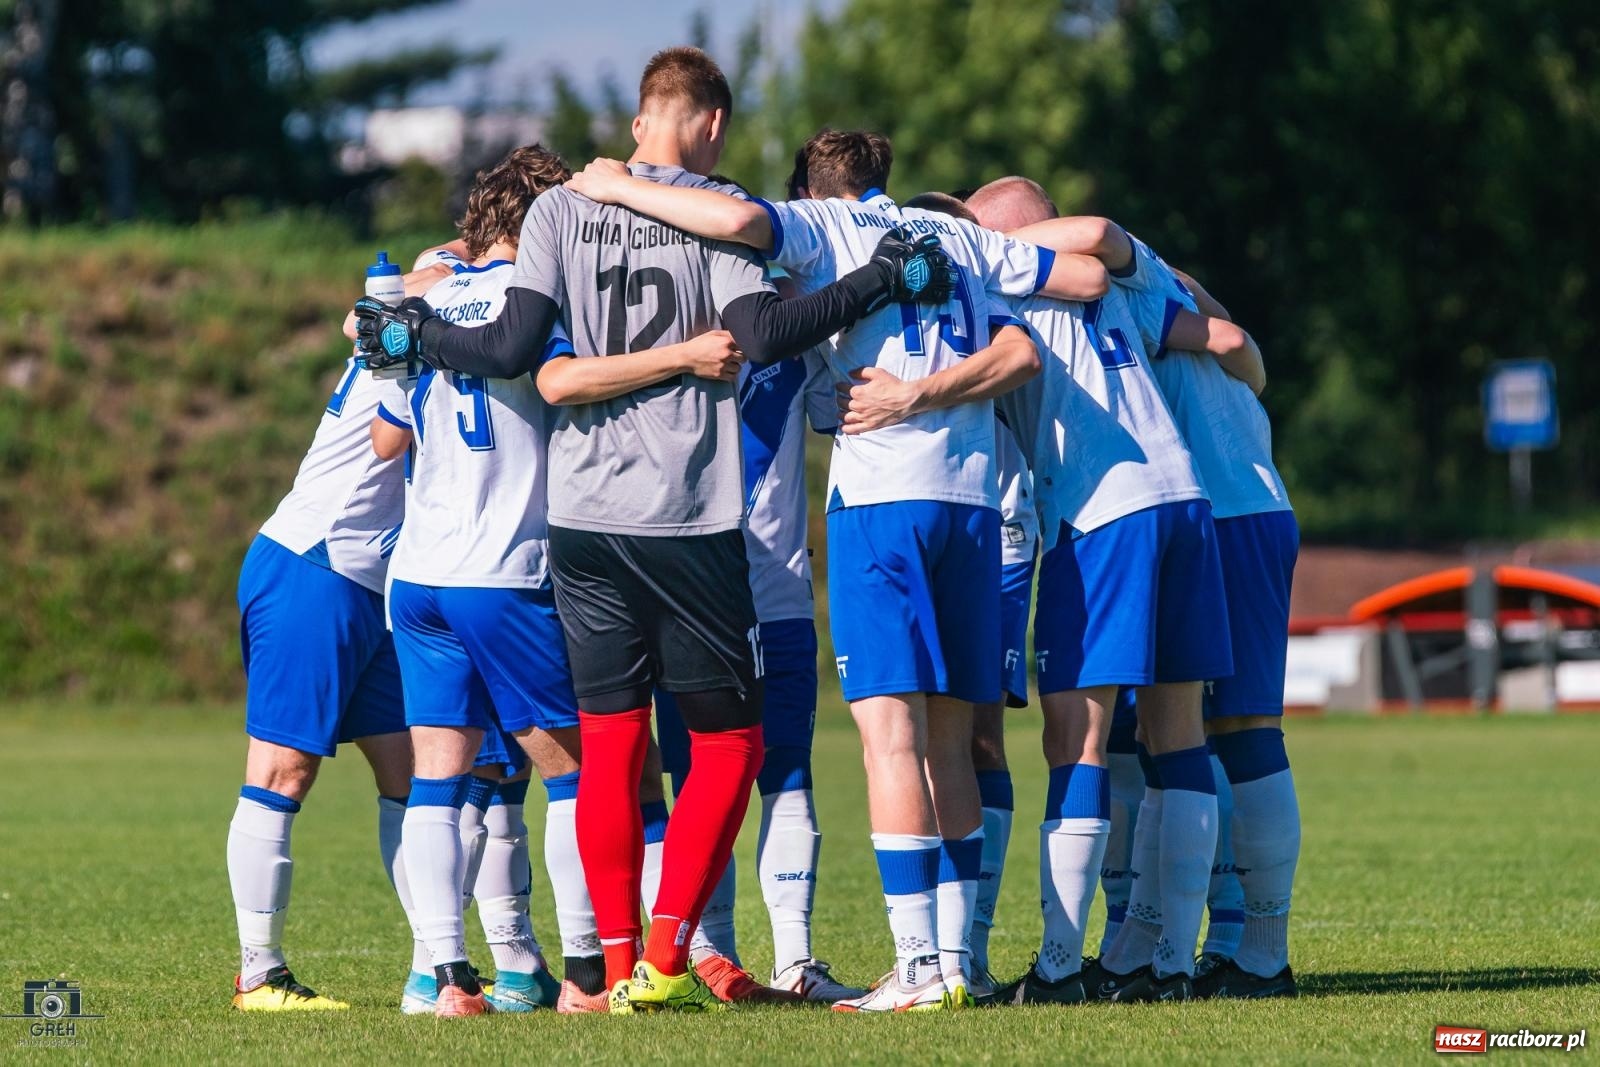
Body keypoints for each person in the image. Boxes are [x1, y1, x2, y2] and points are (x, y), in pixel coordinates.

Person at [351, 48, 951, 1013]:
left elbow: (509, 348)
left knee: (612, 738)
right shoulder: (719, 215)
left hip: (580, 518)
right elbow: (763, 337)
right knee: (730, 747)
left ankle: (616, 956)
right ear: (710, 125)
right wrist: (879, 281)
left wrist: (419, 338)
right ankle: (668, 955)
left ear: (641, 120)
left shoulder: (557, 210)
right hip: (688, 515)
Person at [566, 128, 1110, 1012]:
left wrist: (620, 186)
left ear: (817, 194)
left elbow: (734, 217)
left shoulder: (822, 231)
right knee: (949, 737)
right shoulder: (961, 233)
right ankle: (961, 958)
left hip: (885, 501)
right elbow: (1051, 317)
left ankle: (918, 969)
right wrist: (936, 385)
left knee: (887, 736)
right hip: (973, 505)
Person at [363, 145, 676, 1017]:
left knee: (439, 771)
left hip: (419, 571)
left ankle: (444, 976)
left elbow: (389, 441)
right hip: (506, 570)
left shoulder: (422, 301)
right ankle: (587, 972)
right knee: (574, 767)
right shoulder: (539, 303)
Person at [942, 177, 1243, 1002]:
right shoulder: (1117, 297)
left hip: (1103, 512)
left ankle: (1059, 968)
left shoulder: (1002, 286)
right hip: (1184, 501)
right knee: (1178, 736)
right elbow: (1220, 338)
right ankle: (1171, 964)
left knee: (1075, 739)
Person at [227, 263, 434, 1011]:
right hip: (315, 562)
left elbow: (366, 312)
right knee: (283, 770)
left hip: (372, 578)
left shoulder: (443, 285)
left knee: (414, 772)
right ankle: (260, 971)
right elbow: (383, 429)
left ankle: (436, 963)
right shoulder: (444, 294)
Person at [1110, 234, 1300, 999]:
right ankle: (1194, 938)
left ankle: (1262, 951)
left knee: (1239, 727)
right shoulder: (1163, 271)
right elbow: (1245, 352)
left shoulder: (1109, 276)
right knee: (1163, 730)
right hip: (1223, 502)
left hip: (1225, 508)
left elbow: (1228, 340)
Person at [651, 339, 865, 1004]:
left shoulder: (673, 330)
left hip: (717, 590)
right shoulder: (783, 332)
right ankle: (733, 953)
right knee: (752, 772)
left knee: (751, 771)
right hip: (736, 591)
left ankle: (752, 954)